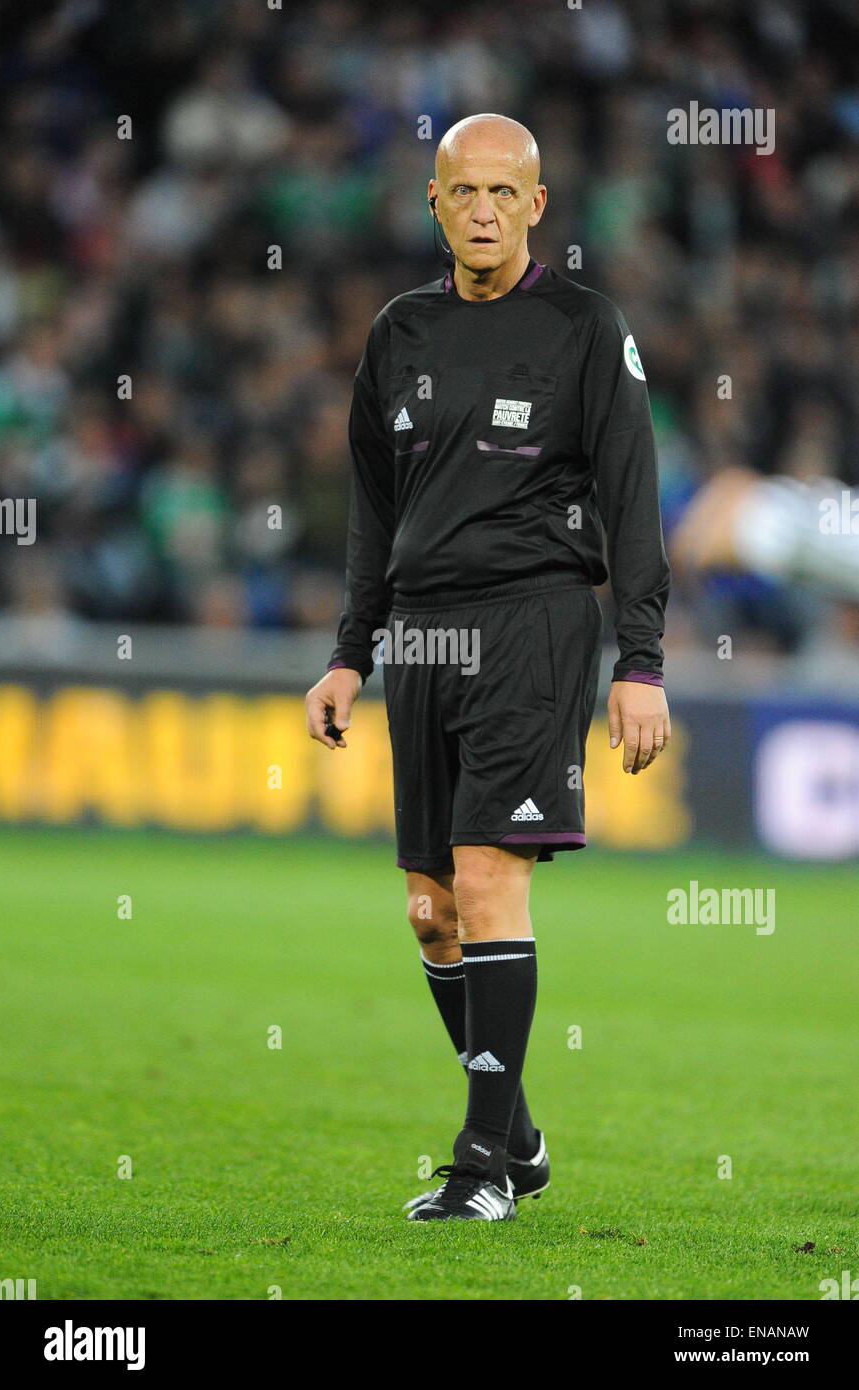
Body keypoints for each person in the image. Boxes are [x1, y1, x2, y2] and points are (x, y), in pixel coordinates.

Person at [305, 113, 671, 1222]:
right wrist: (348, 651)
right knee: (431, 910)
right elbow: (376, 508)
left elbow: (633, 496)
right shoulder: (398, 332)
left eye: (503, 194)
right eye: (461, 193)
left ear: (537, 204)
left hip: (532, 620)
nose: (481, 212)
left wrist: (640, 657)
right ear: (431, 202)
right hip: (419, 632)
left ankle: (482, 1165)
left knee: (486, 872)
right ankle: (518, 1130)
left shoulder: (582, 327)